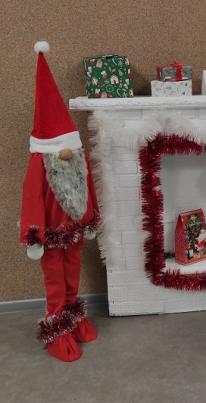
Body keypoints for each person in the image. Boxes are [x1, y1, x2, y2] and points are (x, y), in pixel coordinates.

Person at [19, 42, 100, 362]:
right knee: (54, 279)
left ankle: (72, 315)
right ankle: (56, 327)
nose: (66, 151)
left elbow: (87, 187)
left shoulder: (78, 157)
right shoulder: (39, 163)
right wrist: (34, 235)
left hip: (74, 230)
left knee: (72, 273)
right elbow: (31, 198)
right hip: (52, 234)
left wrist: (90, 218)